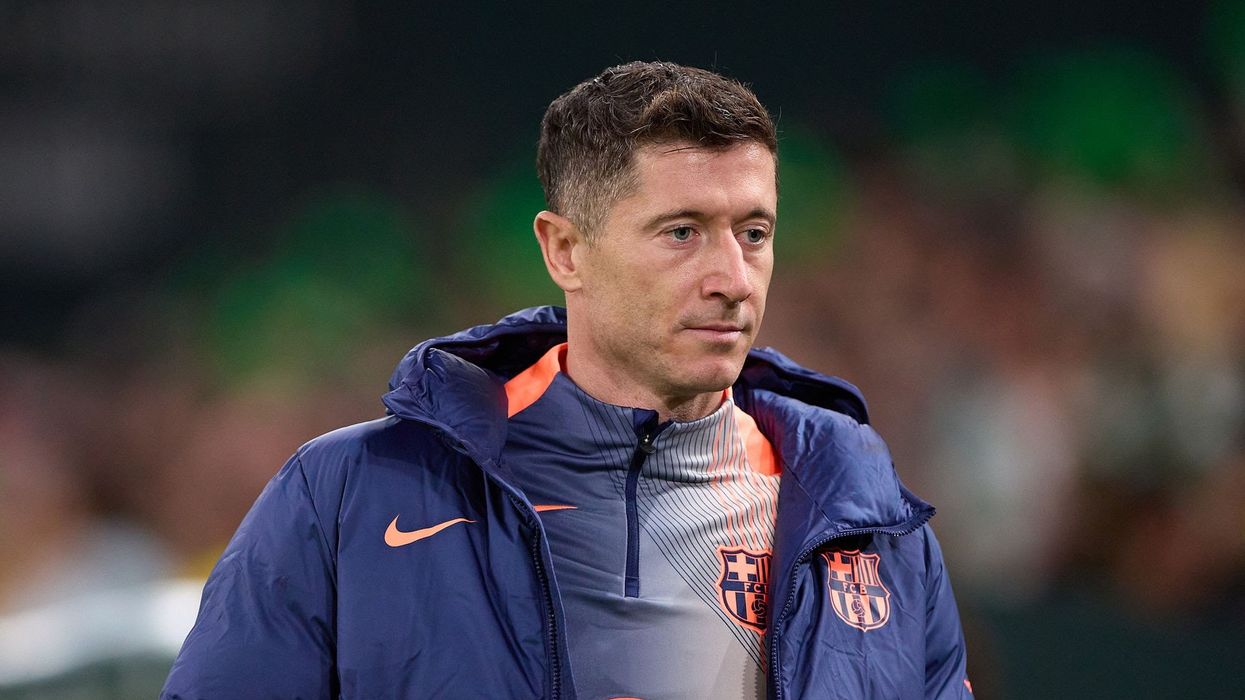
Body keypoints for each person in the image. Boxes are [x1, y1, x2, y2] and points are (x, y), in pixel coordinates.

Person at [162, 61, 972, 699]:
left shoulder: (865, 523)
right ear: (564, 251)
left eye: (752, 232)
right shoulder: (349, 497)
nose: (732, 278)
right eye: (681, 232)